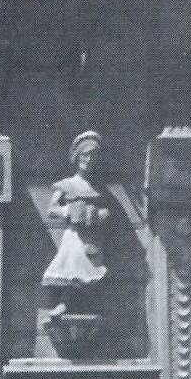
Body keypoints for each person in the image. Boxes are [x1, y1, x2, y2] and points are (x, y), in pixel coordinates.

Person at [42, 130, 110, 318]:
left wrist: (99, 215)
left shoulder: (97, 188)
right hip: (74, 235)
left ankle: (84, 306)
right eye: (85, 155)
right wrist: (69, 211)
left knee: (91, 269)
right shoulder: (67, 184)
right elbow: (51, 209)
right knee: (72, 266)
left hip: (93, 237)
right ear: (78, 156)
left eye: (93, 156)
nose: (89, 160)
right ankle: (64, 303)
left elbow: (106, 211)